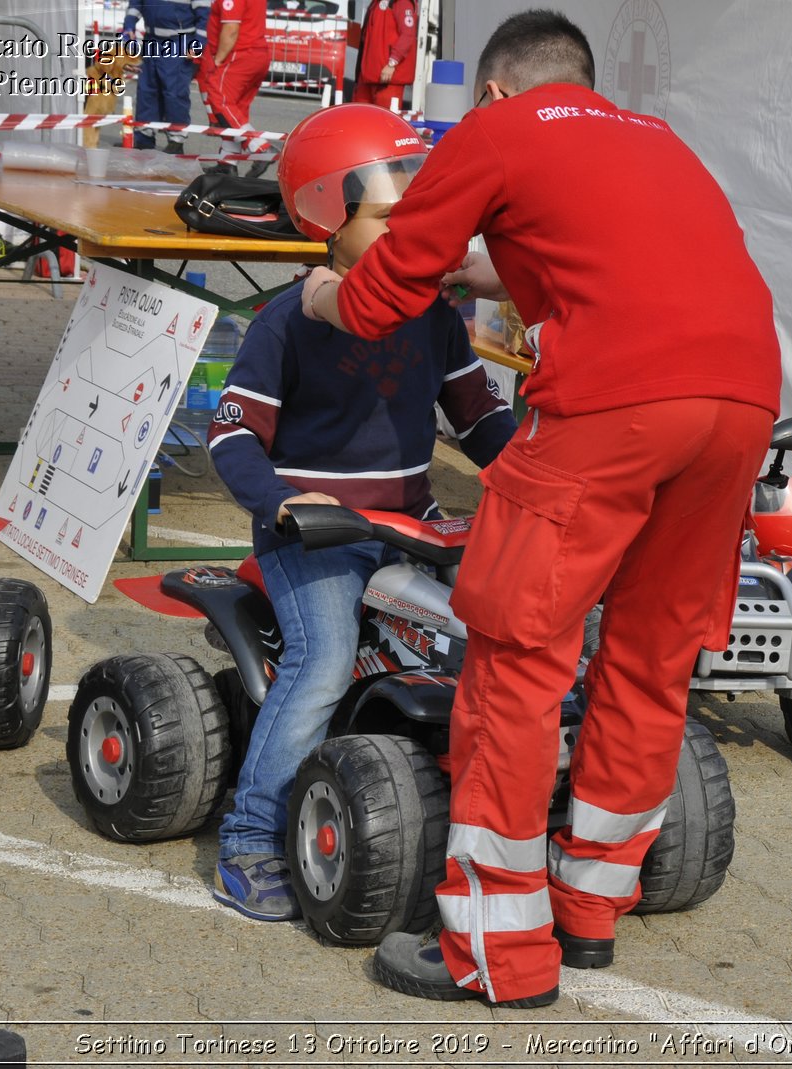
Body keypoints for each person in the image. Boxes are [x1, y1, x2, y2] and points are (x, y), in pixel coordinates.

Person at [300, 10, 782, 1009]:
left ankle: (495, 950)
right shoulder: (654, 141)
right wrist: (482, 267)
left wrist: (322, 298)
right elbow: (592, 264)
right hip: (740, 400)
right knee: (650, 659)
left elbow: (387, 288)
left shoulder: (494, 130)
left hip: (613, 404)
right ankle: (589, 909)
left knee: (516, 656)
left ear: (488, 92)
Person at [206, 103, 517, 921]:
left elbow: (483, 421)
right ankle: (246, 839)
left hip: (408, 531)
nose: (407, 229)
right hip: (315, 540)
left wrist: (531, 474)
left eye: (417, 212)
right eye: (386, 216)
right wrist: (281, 500)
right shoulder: (284, 323)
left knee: (496, 635)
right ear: (324, 219)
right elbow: (232, 436)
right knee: (324, 658)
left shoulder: (437, 317)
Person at [121, 0, 207, 153]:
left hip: (179, 42)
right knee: (146, 91)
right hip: (151, 40)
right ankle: (144, 138)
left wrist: (198, 44)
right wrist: (128, 25)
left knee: (174, 93)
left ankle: (176, 141)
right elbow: (136, 5)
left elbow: (205, 14)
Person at [198, 0, 271, 132]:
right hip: (257, 51)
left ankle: (258, 146)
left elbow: (231, 29)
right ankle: (230, 149)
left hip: (239, 54)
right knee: (237, 110)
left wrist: (218, 59)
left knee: (218, 98)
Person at [351, 0, 416, 110]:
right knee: (359, 120)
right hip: (369, 77)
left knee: (384, 122)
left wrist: (392, 63)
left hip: (388, 79)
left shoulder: (402, 3)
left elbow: (407, 35)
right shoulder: (375, 3)